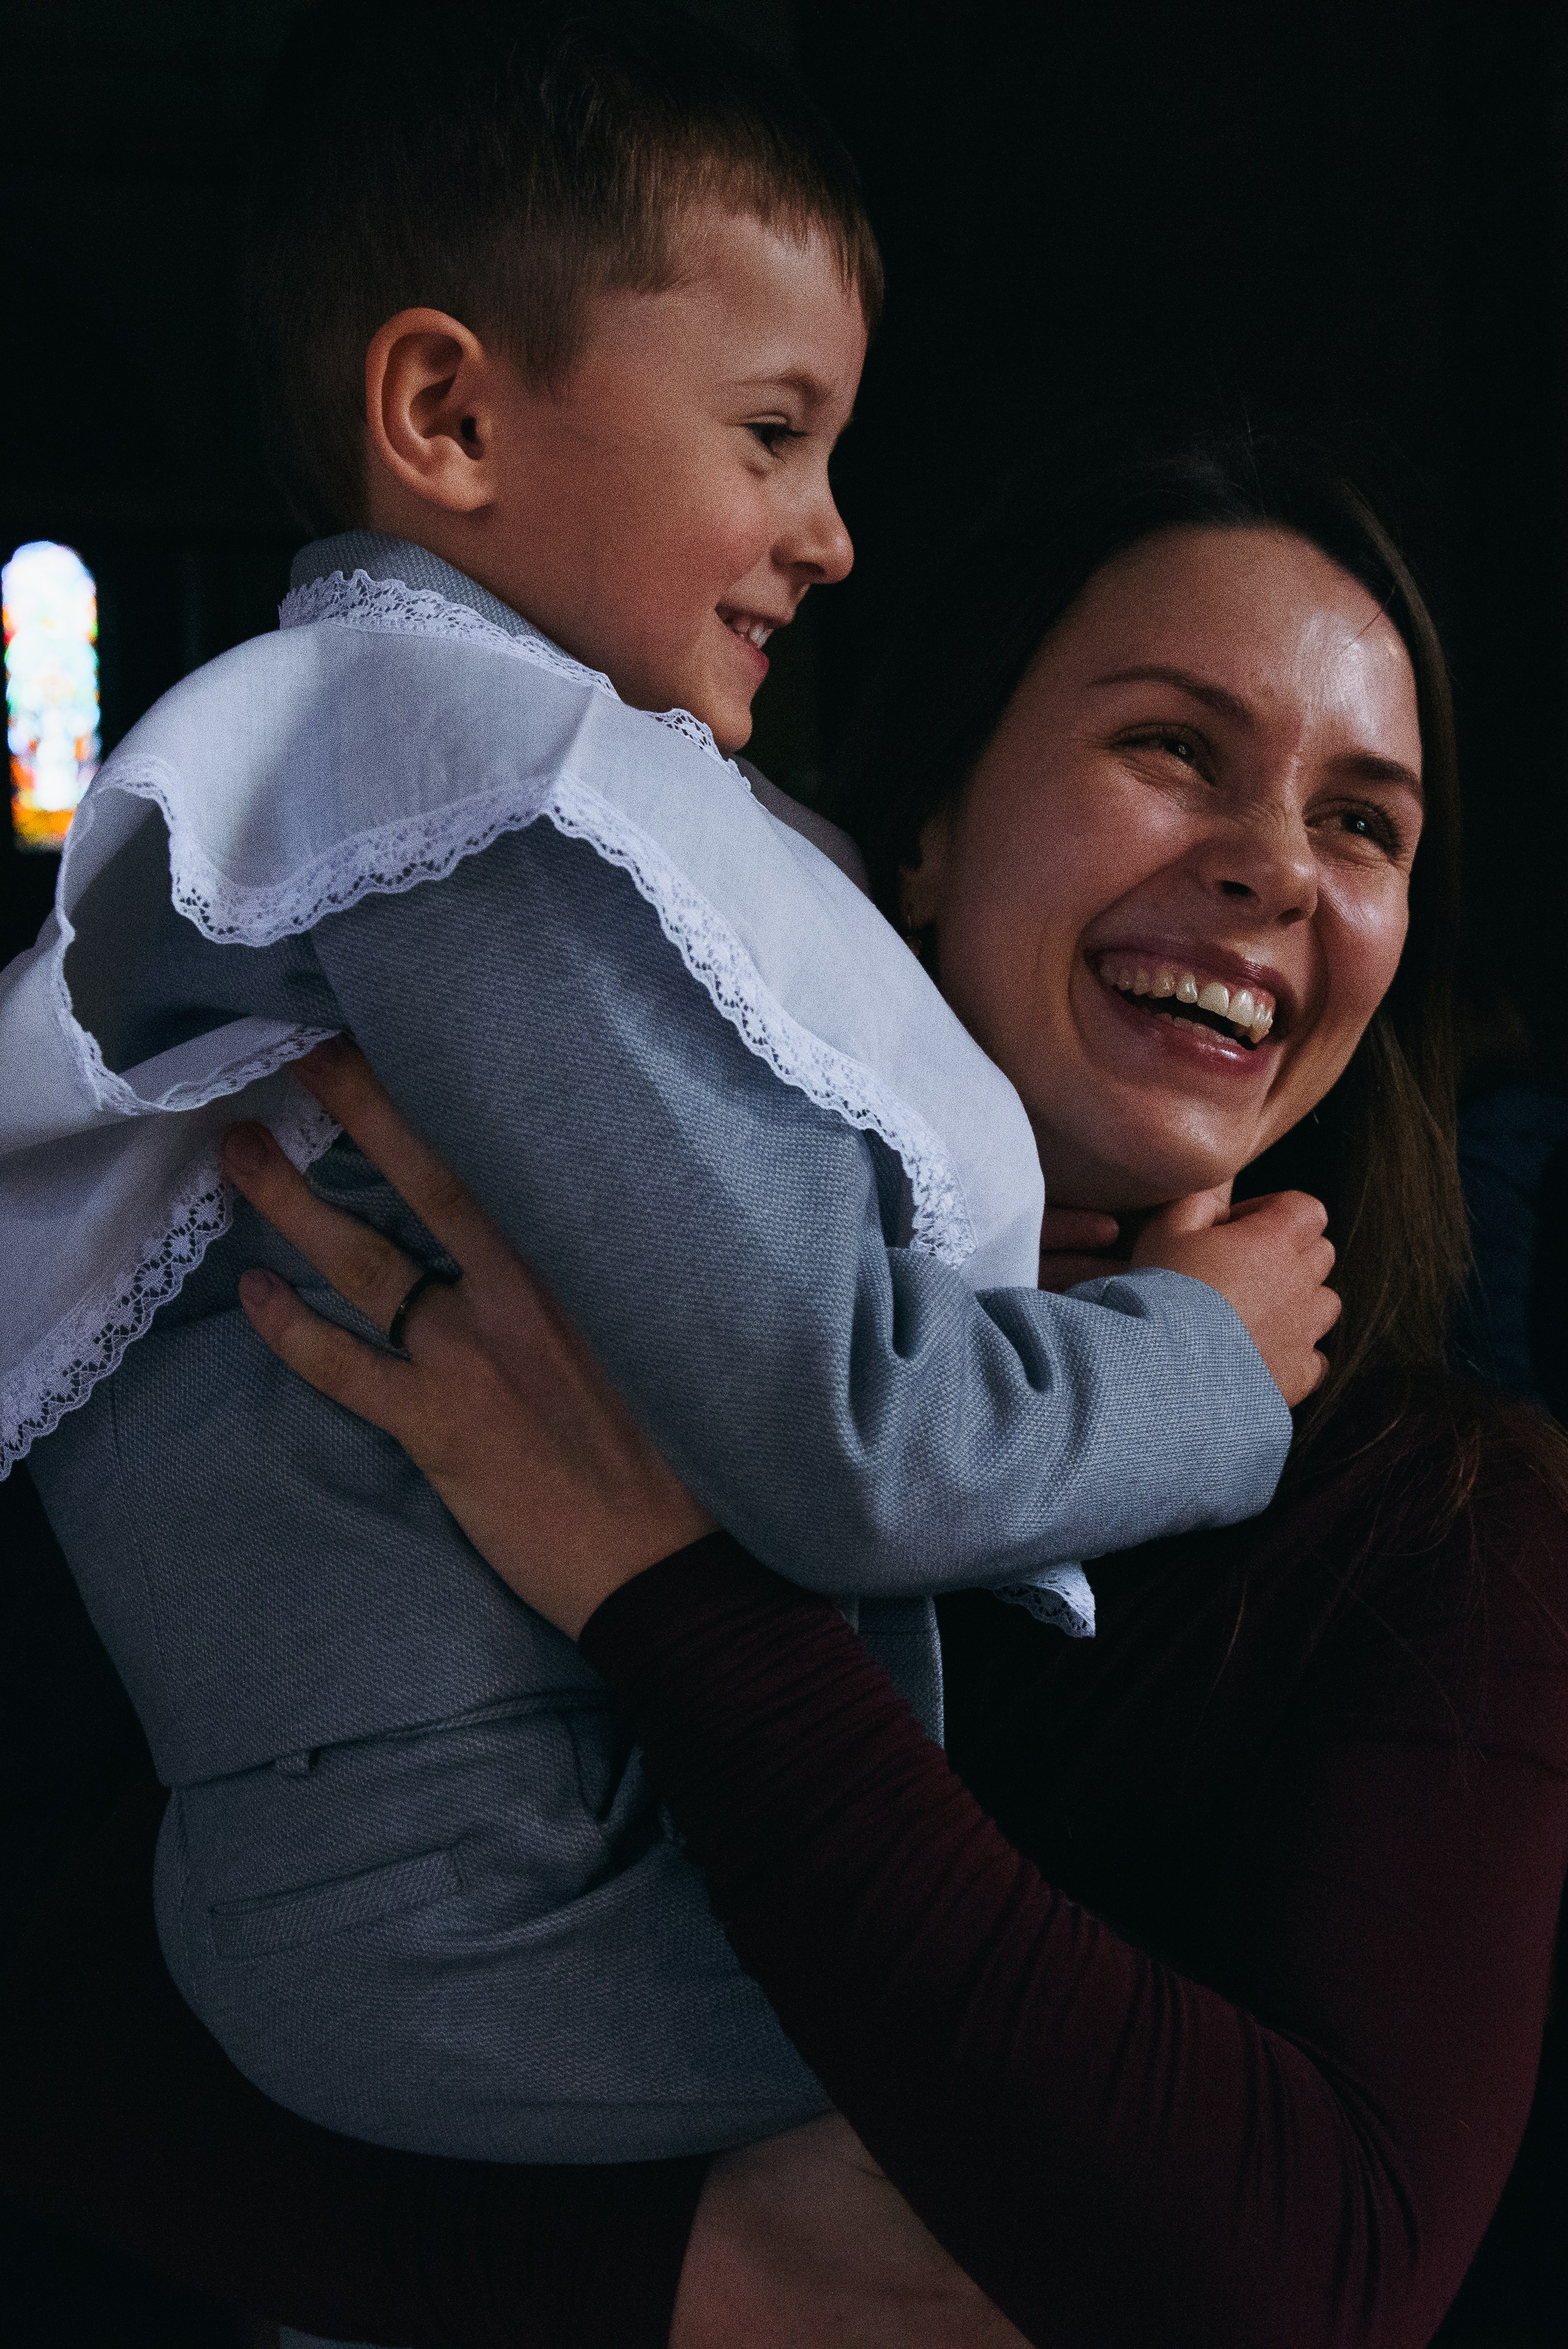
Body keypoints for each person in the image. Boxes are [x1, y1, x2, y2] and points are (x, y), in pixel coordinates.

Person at [8, 437, 1562, 2349]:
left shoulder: (1450, 1525)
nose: (1272, 866)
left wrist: (665, 1583)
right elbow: (68, 2026)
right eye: (1172, 746)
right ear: (921, 823)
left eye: (1368, 824)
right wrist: (679, 2273)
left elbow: (1300, 2274)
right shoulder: (500, 1261)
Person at [0, 4, 1329, 2170]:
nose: (829, 532)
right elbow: (845, 1439)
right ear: (446, 414)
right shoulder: (456, 798)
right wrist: (1206, 1359)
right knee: (1148, 2137)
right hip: (507, 1897)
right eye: (774, 432)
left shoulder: (498, 791)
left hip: (447, 1873)